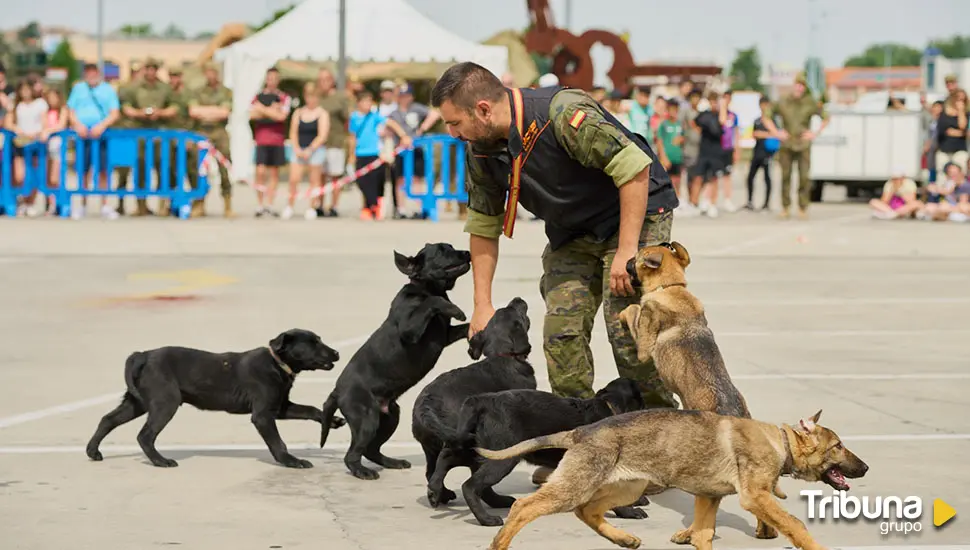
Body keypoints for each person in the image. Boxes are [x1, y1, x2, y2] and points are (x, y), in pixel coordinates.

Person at [430, 63, 680, 429]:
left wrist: (626, 252)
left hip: (632, 216)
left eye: (455, 123)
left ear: (482, 109)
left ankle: (662, 438)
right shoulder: (480, 148)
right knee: (562, 334)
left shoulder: (560, 113)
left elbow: (634, 169)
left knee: (628, 332)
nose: (452, 133)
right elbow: (484, 225)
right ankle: (579, 443)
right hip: (573, 229)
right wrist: (481, 305)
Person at [122, 57, 178, 216]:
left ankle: (163, 203)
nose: (150, 72)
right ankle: (141, 204)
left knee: (163, 167)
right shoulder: (134, 88)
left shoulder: (165, 88)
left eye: (154, 69)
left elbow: (174, 107)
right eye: (148, 68)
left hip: (160, 133)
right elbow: (126, 107)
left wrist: (160, 113)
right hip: (139, 133)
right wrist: (140, 113)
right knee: (140, 167)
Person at [67, 63, 121, 219]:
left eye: (94, 73)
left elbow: (114, 112)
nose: (91, 76)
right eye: (88, 73)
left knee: (103, 171)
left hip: (102, 135)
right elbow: (70, 110)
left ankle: (105, 204)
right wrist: (77, 125)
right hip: (83, 136)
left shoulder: (107, 90)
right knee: (83, 171)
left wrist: (102, 125)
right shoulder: (78, 89)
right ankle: (82, 203)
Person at [773, 72, 829, 220]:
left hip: (803, 145)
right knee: (785, 176)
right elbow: (767, 115)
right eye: (797, 85)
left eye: (802, 86)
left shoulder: (810, 102)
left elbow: (826, 117)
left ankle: (803, 207)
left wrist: (815, 133)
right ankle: (785, 206)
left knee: (804, 177)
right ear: (793, 86)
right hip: (786, 144)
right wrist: (776, 132)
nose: (799, 88)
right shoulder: (783, 101)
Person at [347, 90, 410, 220]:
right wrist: (351, 154)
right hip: (360, 153)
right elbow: (352, 137)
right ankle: (371, 204)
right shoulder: (354, 117)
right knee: (362, 182)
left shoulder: (374, 116)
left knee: (376, 181)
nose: (368, 104)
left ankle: (372, 206)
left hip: (374, 153)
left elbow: (391, 123)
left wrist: (403, 135)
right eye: (365, 101)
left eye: (370, 101)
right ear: (358, 103)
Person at [188, 62, 235, 217]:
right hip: (201, 132)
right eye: (208, 72)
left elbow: (224, 112)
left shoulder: (226, 92)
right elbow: (194, 111)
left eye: (213, 72)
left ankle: (227, 203)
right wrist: (214, 111)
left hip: (219, 131)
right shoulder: (198, 91)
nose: (211, 75)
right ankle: (200, 202)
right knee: (198, 167)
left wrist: (205, 111)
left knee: (225, 165)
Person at [387, 83, 440, 219]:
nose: (405, 99)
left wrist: (422, 128)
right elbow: (387, 125)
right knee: (400, 179)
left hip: (416, 148)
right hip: (401, 150)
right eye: (402, 96)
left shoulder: (416, 109)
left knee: (417, 179)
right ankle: (401, 209)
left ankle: (419, 208)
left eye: (407, 96)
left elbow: (435, 114)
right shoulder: (394, 113)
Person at [284, 81, 330, 220]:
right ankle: (290, 206)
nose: (312, 99)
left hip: (315, 150)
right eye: (309, 96)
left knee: (314, 180)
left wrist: (310, 149)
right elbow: (293, 132)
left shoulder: (322, 113)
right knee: (294, 179)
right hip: (299, 149)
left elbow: (322, 135)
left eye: (314, 96)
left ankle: (311, 206)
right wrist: (297, 148)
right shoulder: (298, 112)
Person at [249, 67, 291, 217]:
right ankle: (260, 204)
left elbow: (281, 117)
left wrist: (262, 109)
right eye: (269, 78)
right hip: (261, 140)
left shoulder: (284, 97)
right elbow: (251, 114)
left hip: (277, 140)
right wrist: (272, 110)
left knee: (274, 174)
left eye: (275, 78)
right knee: (260, 172)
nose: (272, 81)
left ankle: (270, 204)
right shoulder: (258, 96)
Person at [4, 79, 48, 216]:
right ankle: (22, 200)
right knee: (20, 175)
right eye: (22, 90)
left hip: (35, 142)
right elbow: (8, 122)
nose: (25, 93)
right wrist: (17, 129)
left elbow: (44, 123)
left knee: (34, 174)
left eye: (27, 89)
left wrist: (36, 133)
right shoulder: (16, 105)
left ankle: (31, 203)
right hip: (20, 142)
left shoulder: (40, 104)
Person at [689, 91, 726, 218]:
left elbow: (723, 122)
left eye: (716, 101)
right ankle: (694, 203)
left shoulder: (720, 115)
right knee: (698, 177)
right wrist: (699, 132)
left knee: (714, 178)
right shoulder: (704, 115)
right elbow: (693, 122)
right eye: (712, 101)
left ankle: (712, 203)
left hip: (716, 151)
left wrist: (723, 107)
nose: (714, 104)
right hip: (704, 151)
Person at [745, 95, 781, 211]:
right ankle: (750, 201)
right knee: (750, 177)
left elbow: (777, 134)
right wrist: (762, 134)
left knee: (767, 178)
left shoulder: (773, 121)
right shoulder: (757, 120)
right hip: (757, 152)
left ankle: (766, 203)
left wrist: (763, 134)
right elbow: (754, 134)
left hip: (767, 153)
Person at [41, 88, 68, 215]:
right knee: (47, 177)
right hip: (46, 146)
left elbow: (61, 125)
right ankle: (50, 204)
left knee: (55, 177)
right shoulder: (45, 111)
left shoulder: (63, 110)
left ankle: (59, 203)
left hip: (58, 146)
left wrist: (47, 131)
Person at [654, 99, 684, 198]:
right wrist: (663, 157)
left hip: (678, 156)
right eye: (671, 109)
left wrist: (681, 139)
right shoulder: (664, 124)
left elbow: (684, 137)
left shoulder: (680, 124)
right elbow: (659, 141)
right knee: (668, 180)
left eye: (675, 109)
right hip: (667, 157)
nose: (673, 112)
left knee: (678, 179)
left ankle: (678, 199)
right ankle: (670, 200)